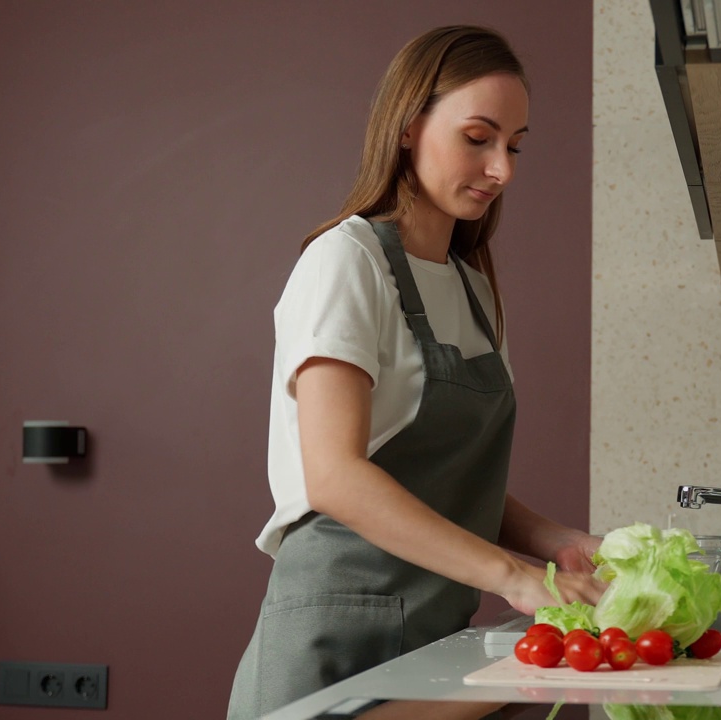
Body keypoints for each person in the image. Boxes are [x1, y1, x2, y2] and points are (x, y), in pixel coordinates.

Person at [227, 25, 604, 720]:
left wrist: (558, 543)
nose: (503, 170)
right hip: (333, 640)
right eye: (478, 138)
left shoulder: (472, 288)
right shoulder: (345, 262)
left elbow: (443, 476)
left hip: (430, 640)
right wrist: (514, 578)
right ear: (407, 127)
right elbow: (336, 476)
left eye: (515, 146)